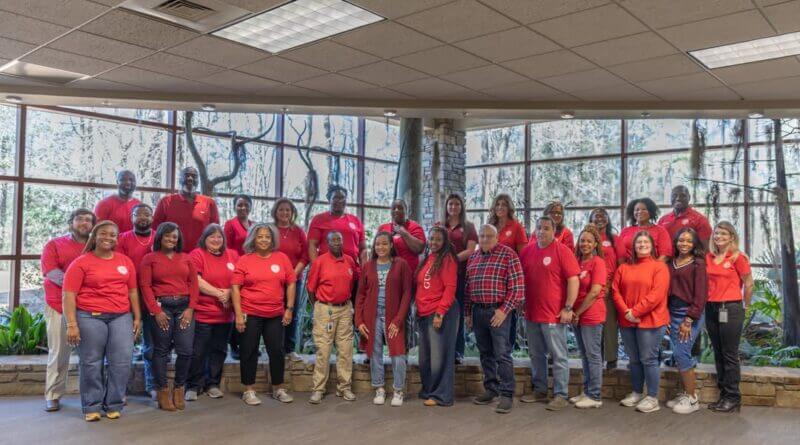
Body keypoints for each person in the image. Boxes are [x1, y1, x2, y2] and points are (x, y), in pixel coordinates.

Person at [62, 220, 142, 421]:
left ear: (117, 239)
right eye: (103, 234)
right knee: (91, 362)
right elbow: (69, 295)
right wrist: (72, 325)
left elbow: (133, 291)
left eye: (113, 235)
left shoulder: (125, 262)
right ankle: (92, 406)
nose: (108, 238)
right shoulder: (81, 262)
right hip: (90, 316)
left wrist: (138, 317)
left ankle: (114, 404)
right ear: (94, 237)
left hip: (121, 316)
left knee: (122, 361)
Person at [518, 216, 580, 411]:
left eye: (546, 228)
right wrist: (521, 301)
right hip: (531, 313)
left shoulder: (562, 251)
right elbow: (521, 279)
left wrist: (568, 307)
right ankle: (540, 390)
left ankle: (561, 394)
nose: (541, 231)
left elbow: (573, 280)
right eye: (538, 228)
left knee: (559, 356)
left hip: (554, 314)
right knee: (536, 354)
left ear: (554, 231)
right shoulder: (527, 251)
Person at [231, 223, 296, 406]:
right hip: (249, 313)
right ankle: (249, 390)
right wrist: (238, 314)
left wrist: (289, 309)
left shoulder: (281, 258)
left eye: (267, 236)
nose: (264, 239)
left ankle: (278, 388)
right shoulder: (245, 260)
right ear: (253, 238)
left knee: (276, 351)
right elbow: (235, 287)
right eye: (260, 236)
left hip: (275, 313)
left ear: (272, 239)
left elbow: (291, 283)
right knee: (248, 351)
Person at [139, 222, 199, 411]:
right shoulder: (150, 258)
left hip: (184, 307)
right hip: (161, 307)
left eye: (174, 236)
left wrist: (190, 309)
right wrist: (156, 312)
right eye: (167, 236)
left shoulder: (186, 258)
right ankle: (163, 391)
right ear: (160, 238)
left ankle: (179, 389)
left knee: (186, 350)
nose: (171, 239)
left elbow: (194, 285)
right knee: (161, 351)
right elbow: (145, 286)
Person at [465, 224, 524, 414]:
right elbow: (468, 288)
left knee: (502, 354)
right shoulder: (473, 257)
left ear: (497, 237)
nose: (484, 239)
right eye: (481, 236)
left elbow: (517, 288)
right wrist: (468, 313)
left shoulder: (508, 255)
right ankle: (491, 389)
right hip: (478, 311)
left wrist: (503, 310)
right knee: (485, 353)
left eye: (489, 236)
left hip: (498, 312)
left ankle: (507, 394)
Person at [40, 208, 95, 412]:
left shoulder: (96, 247)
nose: (84, 223)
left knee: (91, 355)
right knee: (59, 353)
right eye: (79, 219)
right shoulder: (55, 245)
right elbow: (52, 273)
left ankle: (92, 395)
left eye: (88, 220)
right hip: (59, 306)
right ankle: (53, 394)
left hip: (89, 308)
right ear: (70, 223)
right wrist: (80, 285)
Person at [612, 231, 670, 413]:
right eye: (639, 242)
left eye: (646, 242)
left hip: (651, 321)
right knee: (634, 359)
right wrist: (627, 313)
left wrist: (635, 311)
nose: (642, 245)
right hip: (627, 321)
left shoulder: (659, 267)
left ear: (652, 246)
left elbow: (657, 294)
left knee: (649, 359)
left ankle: (652, 398)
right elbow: (615, 291)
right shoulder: (624, 268)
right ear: (633, 247)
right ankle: (637, 392)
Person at [355, 232, 413, 407]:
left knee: (398, 354)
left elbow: (406, 293)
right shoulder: (368, 266)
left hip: (393, 316)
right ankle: (379, 388)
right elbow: (360, 295)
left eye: (384, 244)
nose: (380, 247)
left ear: (391, 246)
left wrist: (398, 319)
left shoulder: (401, 265)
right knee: (375, 353)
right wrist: (359, 321)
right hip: (371, 316)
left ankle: (398, 390)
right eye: (377, 244)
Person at [186, 224, 239, 401]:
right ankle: (193, 385)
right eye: (212, 237)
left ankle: (212, 384)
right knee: (199, 351)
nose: (216, 240)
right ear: (204, 239)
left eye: (219, 237)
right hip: (203, 313)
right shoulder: (197, 254)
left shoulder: (232, 255)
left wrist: (230, 293)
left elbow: (239, 280)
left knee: (219, 350)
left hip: (226, 315)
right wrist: (220, 294)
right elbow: (197, 281)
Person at [705, 221, 753, 413]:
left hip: (731, 309)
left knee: (729, 354)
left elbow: (749, 284)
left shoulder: (738, 257)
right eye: (716, 233)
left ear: (732, 236)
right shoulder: (709, 257)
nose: (719, 237)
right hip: (711, 308)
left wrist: (745, 306)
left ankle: (733, 398)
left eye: (724, 234)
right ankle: (723, 396)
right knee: (718, 353)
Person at [306, 231, 358, 404]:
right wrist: (319, 307)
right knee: (324, 351)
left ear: (343, 242)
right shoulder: (320, 261)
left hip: (344, 309)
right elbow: (311, 288)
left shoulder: (350, 260)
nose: (336, 242)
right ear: (327, 244)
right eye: (333, 240)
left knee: (346, 350)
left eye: (339, 240)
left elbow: (354, 284)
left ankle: (344, 388)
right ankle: (318, 389)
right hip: (325, 310)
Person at [665, 228, 708, 415]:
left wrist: (689, 319)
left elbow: (701, 295)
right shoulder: (670, 262)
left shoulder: (698, 264)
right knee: (677, 353)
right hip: (672, 311)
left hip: (690, 313)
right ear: (675, 242)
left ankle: (692, 399)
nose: (684, 244)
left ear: (694, 244)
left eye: (689, 241)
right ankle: (685, 393)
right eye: (681, 240)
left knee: (682, 352)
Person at [115, 203, 156, 399]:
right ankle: (119, 390)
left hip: (152, 298)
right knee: (123, 346)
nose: (143, 217)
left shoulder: (159, 236)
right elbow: (120, 266)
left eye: (147, 214)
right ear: (131, 218)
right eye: (138, 214)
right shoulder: (122, 239)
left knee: (151, 345)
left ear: (152, 217)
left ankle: (152, 385)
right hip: (126, 297)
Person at [415, 227, 458, 407]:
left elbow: (450, 288)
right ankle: (429, 390)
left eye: (438, 239)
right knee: (425, 357)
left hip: (440, 313)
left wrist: (440, 312)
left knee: (440, 357)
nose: (433, 242)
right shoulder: (427, 258)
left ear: (445, 241)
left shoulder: (447, 259)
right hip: (424, 313)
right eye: (431, 238)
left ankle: (442, 395)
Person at [569, 224, 607, 409]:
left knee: (593, 356)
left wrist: (577, 312)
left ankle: (595, 395)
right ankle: (587, 391)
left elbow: (594, 292)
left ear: (595, 244)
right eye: (582, 240)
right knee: (584, 355)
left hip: (591, 314)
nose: (584, 244)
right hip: (577, 315)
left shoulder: (598, 262)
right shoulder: (575, 261)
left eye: (589, 241)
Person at [440, 193, 477, 364]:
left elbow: (470, 250)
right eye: (450, 204)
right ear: (446, 206)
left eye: (457, 204)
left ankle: (457, 352)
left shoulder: (469, 227)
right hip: (440, 278)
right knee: (442, 312)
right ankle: (442, 350)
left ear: (461, 207)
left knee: (458, 313)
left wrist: (451, 260)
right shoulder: (440, 226)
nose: (453, 207)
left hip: (460, 276)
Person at [272, 198, 309, 356]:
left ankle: (290, 349)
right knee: (274, 313)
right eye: (281, 209)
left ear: (292, 212)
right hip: (273, 280)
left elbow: (305, 255)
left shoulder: (298, 231)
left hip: (294, 279)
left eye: (288, 210)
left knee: (292, 313)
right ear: (275, 212)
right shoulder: (270, 229)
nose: (284, 212)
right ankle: (274, 347)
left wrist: (293, 274)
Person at [153, 166, 220, 253]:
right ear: (180, 179)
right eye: (186, 175)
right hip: (172, 254)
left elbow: (215, 232)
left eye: (194, 176)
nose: (190, 178)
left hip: (201, 255)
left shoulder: (209, 203)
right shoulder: (166, 202)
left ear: (198, 181)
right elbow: (155, 230)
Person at [308, 185, 368, 270]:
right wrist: (316, 267)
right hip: (327, 269)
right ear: (329, 199)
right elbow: (312, 246)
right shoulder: (319, 219)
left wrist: (364, 269)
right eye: (336, 197)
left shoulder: (356, 221)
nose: (339, 201)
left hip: (352, 270)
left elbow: (363, 249)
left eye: (342, 198)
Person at [589, 208, 619, 369]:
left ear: (608, 220)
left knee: (610, 324)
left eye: (603, 216)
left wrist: (611, 284)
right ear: (591, 220)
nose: (600, 219)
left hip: (609, 287)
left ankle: (611, 359)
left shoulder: (614, 239)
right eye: (596, 216)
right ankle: (596, 358)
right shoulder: (587, 238)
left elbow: (620, 263)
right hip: (590, 288)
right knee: (593, 325)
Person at [224, 194, 253, 360]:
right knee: (236, 310)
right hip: (235, 270)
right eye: (239, 205)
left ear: (250, 207)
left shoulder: (253, 225)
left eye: (246, 205)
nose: (243, 208)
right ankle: (234, 345)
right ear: (235, 207)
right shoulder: (230, 224)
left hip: (251, 272)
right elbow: (226, 249)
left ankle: (246, 344)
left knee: (248, 309)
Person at [616, 198, 672, 263]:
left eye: (644, 209)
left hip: (652, 269)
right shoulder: (625, 231)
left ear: (650, 211)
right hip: (628, 269)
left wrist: (652, 269)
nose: (640, 212)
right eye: (637, 210)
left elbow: (665, 255)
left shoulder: (660, 230)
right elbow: (619, 254)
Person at [378, 199, 426, 272]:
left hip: (409, 273)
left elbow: (419, 249)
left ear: (406, 210)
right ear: (391, 211)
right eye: (394, 208)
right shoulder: (383, 228)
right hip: (386, 273)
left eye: (400, 208)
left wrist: (403, 232)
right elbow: (376, 251)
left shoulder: (415, 227)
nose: (396, 210)